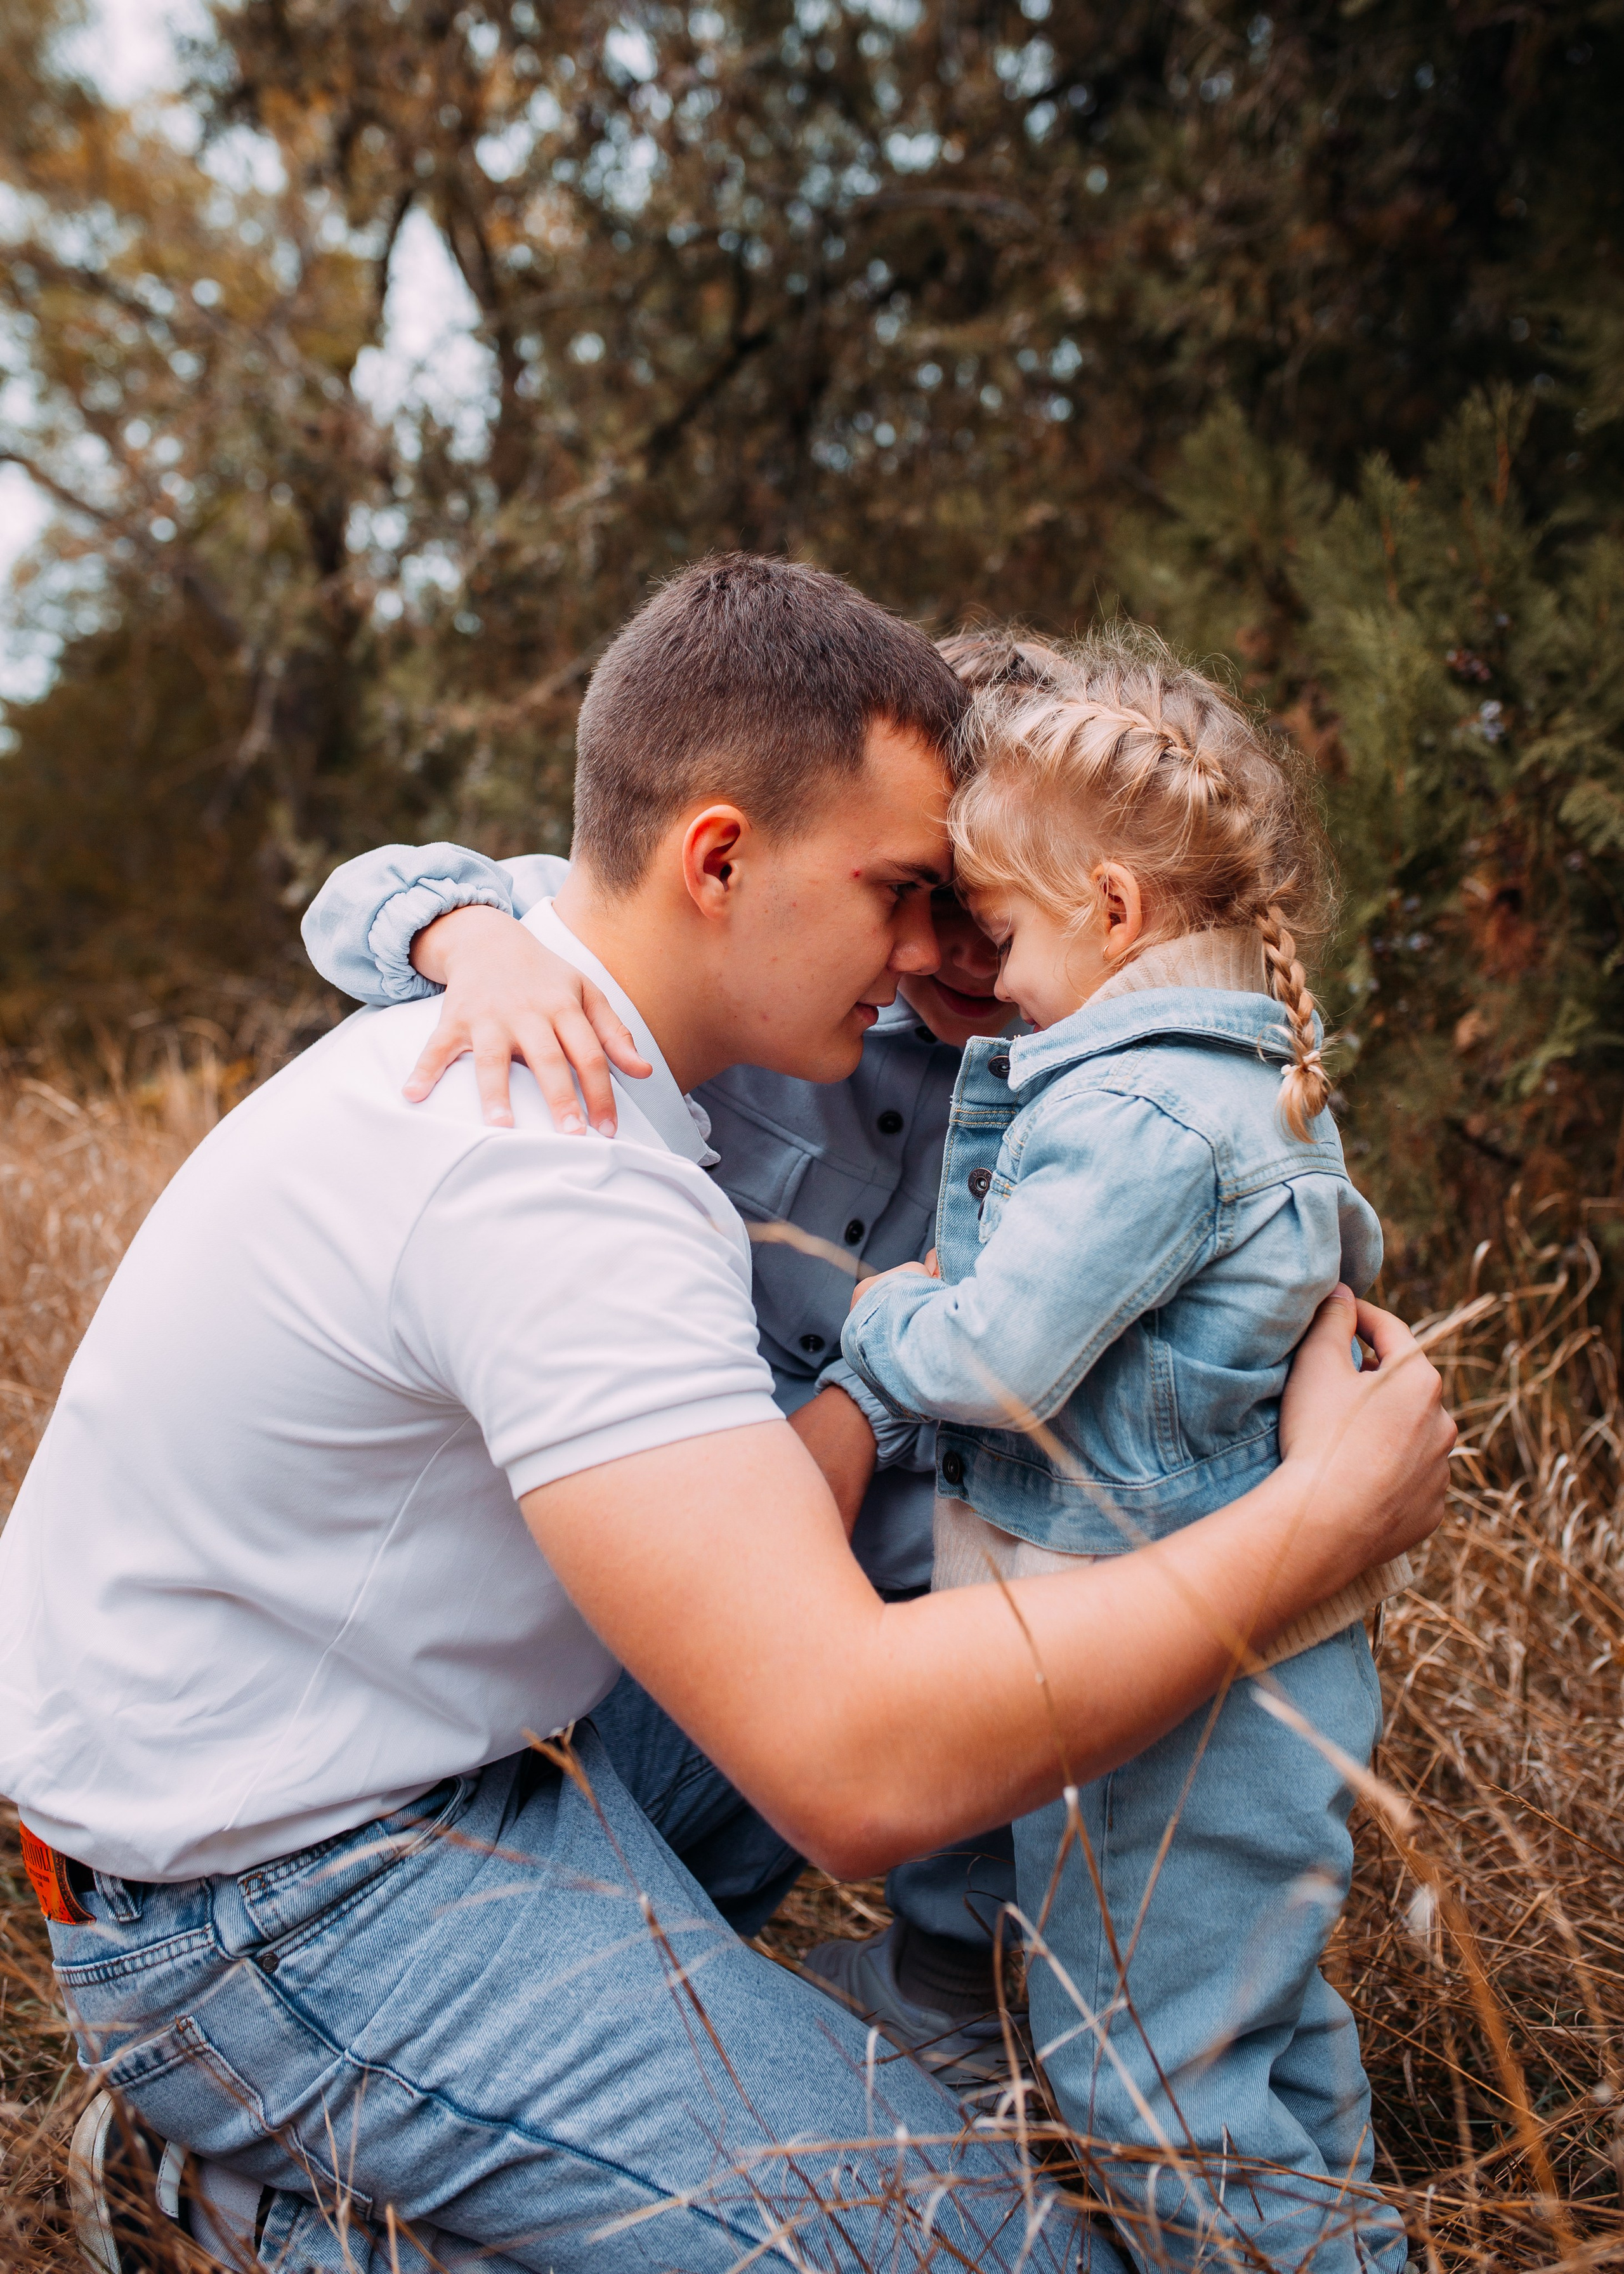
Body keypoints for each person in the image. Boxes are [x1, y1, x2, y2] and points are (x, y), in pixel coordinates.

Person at [0, 558, 1451, 2274]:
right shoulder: (548, 1152)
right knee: (978, 2249)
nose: (940, 948)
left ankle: (888, 2029)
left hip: (478, 1732)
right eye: (908, 891)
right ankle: (249, 2203)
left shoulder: (743, 1045)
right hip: (275, 1898)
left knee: (947, 1589)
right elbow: (847, 1760)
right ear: (718, 862)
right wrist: (1317, 1530)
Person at [298, 630, 1078, 2091]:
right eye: (933, 895)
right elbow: (363, 892)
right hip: (624, 1530)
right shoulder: (763, 978)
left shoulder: (1076, 1091)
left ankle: (939, 1987)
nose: (955, 952)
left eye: (1005, 908)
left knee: (997, 1572)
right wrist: (473, 943)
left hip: (848, 1541)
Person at [841, 628, 1411, 2273]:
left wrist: (882, 1323)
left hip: (1176, 1695)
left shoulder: (1134, 1114)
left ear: (1112, 913)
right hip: (1249, 1666)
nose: (985, 976)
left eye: (1001, 930)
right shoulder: (1237, 1079)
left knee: (1142, 2083)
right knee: (1259, 2040)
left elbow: (1004, 1353)